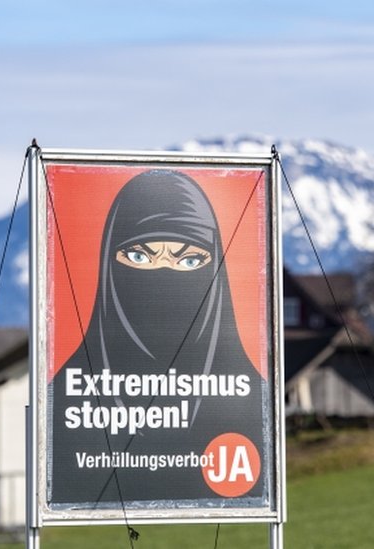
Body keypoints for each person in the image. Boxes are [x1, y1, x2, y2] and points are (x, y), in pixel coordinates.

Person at [49, 169, 266, 508]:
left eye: (190, 259)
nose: (163, 275)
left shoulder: (249, 397)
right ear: (109, 262)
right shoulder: (64, 398)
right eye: (139, 256)